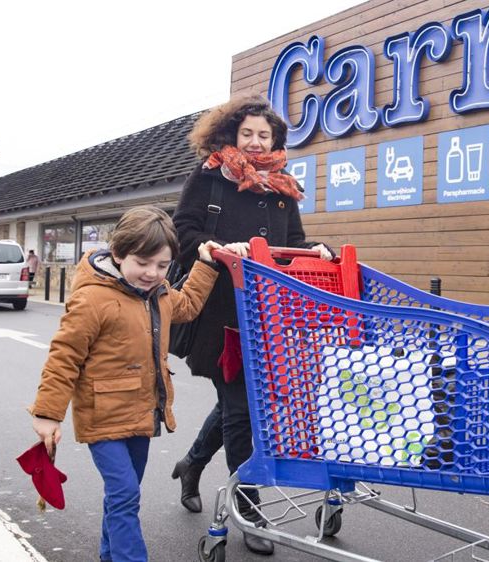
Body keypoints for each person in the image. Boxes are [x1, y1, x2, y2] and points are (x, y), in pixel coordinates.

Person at [170, 93, 332, 556]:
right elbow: (183, 231)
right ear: (232, 135)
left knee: (236, 406)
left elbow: (293, 242)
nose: (256, 142)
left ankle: (192, 463)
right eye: (247, 134)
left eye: (264, 134)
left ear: (275, 140)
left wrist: (315, 250)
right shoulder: (210, 177)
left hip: (265, 316)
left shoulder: (282, 188)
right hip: (219, 314)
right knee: (242, 410)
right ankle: (249, 509)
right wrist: (215, 248)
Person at [29, 206, 221, 562]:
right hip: (102, 418)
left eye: (162, 265)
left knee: (123, 495)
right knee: (125, 494)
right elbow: (64, 356)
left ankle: (109, 554)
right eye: (143, 262)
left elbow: (189, 305)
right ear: (118, 253)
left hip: (142, 414)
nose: (152, 273)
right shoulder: (92, 298)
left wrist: (205, 264)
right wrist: (48, 414)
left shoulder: (159, 293)